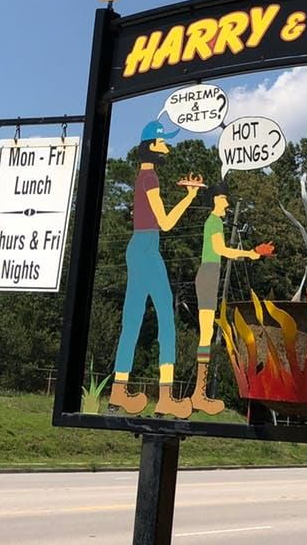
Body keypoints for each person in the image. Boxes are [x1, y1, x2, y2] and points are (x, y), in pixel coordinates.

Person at [109, 120, 198, 418]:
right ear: (152, 146)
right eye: (163, 143)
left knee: (131, 321)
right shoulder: (150, 179)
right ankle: (165, 397)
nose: (167, 147)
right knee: (166, 322)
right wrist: (189, 197)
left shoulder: (142, 176)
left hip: (138, 247)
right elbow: (167, 223)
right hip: (147, 248)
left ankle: (118, 392)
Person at [191, 182, 273, 414]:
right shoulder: (214, 221)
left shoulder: (215, 222)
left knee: (206, 331)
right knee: (206, 332)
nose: (227, 202)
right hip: (208, 272)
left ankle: (200, 392)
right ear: (216, 199)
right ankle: (199, 393)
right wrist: (250, 253)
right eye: (224, 198)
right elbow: (221, 250)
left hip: (210, 272)